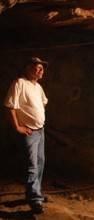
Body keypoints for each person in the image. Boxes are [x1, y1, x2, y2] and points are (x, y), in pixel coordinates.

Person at [4, 57, 48, 213]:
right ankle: (35, 199)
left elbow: (42, 104)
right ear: (28, 68)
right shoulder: (19, 83)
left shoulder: (38, 87)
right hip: (29, 131)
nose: (41, 70)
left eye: (42, 68)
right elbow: (10, 106)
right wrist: (17, 127)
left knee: (40, 162)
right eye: (38, 67)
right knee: (32, 165)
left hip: (40, 130)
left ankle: (35, 193)